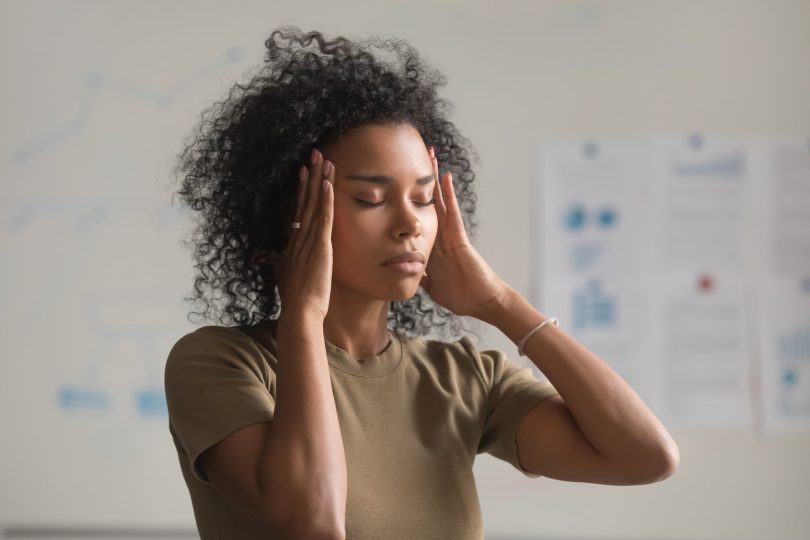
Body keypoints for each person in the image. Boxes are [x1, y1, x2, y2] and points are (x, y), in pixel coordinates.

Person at [164, 27, 679, 540]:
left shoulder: (461, 378)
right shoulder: (218, 363)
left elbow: (645, 458)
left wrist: (500, 303)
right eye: (370, 199)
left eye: (424, 197)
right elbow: (313, 520)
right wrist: (303, 315)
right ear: (284, 219)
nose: (410, 224)